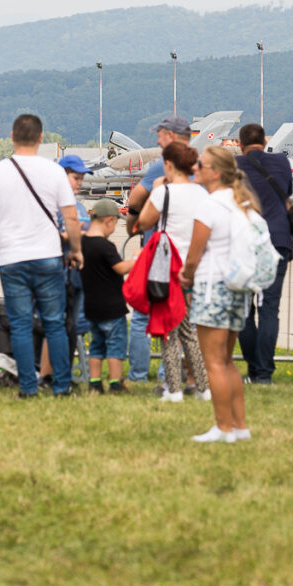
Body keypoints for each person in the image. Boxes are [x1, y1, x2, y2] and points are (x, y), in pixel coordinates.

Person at [0, 114, 84, 398]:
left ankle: (28, 388)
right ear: (40, 138)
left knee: (20, 324)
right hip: (47, 255)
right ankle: (61, 386)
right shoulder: (54, 172)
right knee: (54, 323)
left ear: (11, 136)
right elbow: (70, 216)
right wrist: (75, 250)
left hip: (12, 257)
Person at [180, 146, 259, 442]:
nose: (195, 167)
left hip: (213, 286)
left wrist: (185, 277)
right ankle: (240, 426)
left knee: (212, 361)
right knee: (226, 360)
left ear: (215, 172)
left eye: (201, 164)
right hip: (238, 286)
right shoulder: (242, 202)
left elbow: (194, 255)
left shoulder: (210, 205)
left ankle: (223, 427)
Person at [138, 141, 211, 402]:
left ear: (168, 165)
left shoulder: (163, 193)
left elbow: (144, 221)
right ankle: (202, 386)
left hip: (167, 268)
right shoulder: (201, 193)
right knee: (188, 330)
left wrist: (157, 189)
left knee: (168, 328)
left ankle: (173, 388)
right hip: (193, 267)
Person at [123, 115, 193, 386]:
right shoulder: (200, 165)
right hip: (189, 253)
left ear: (172, 137)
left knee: (143, 315)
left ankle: (139, 376)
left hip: (160, 253)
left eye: (161, 134)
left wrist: (133, 224)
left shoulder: (165, 166)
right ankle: (178, 376)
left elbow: (136, 198)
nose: (157, 139)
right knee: (184, 318)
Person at [234, 123, 293, 385]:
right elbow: (287, 193)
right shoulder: (281, 162)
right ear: (266, 140)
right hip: (278, 239)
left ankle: (255, 370)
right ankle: (265, 375)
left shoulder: (235, 166)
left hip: (246, 241)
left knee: (245, 310)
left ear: (240, 144)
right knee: (270, 308)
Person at [38, 154, 92, 388]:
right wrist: (72, 231)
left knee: (70, 326)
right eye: (75, 178)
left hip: (76, 275)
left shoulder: (78, 205)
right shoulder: (54, 204)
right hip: (58, 271)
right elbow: (49, 233)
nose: (79, 183)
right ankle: (47, 375)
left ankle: (63, 373)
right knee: (56, 325)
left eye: (81, 179)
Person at [81, 199, 134, 394]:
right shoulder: (105, 246)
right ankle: (115, 383)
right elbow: (119, 268)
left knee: (96, 345)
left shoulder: (83, 243)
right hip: (112, 307)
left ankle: (95, 383)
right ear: (109, 221)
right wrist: (136, 261)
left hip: (91, 306)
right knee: (115, 345)